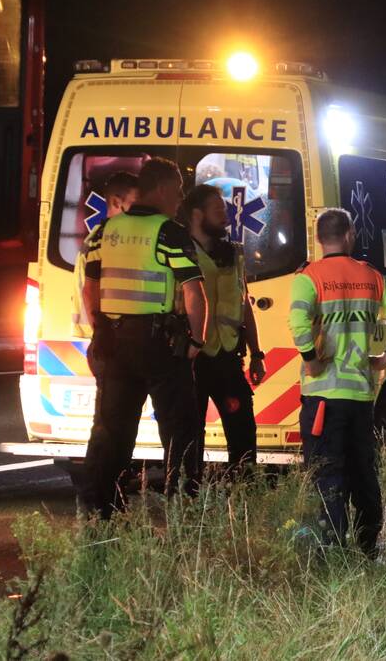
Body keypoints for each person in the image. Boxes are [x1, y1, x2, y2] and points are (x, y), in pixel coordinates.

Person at [79, 158, 207, 519]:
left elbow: (91, 287)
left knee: (111, 431)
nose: (181, 199)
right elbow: (194, 292)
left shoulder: (104, 232)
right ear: (163, 189)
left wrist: (101, 327)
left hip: (114, 344)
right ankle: (185, 506)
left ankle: (101, 510)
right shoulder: (169, 232)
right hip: (158, 344)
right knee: (180, 428)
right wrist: (196, 341)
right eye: (179, 191)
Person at [288, 208, 386, 558]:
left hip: (321, 399)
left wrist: (311, 360)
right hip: (360, 395)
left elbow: (298, 322)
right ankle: (367, 547)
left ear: (318, 239)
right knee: (363, 472)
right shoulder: (370, 277)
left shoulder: (308, 278)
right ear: (350, 234)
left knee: (327, 473)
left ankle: (330, 550)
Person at [179, 185, 266, 480]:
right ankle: (188, 493)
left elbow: (245, 306)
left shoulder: (234, 254)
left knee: (242, 430)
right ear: (196, 214)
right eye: (218, 210)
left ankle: (244, 491)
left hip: (227, 357)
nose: (226, 215)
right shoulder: (180, 252)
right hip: (192, 357)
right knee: (189, 432)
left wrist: (257, 353)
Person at [72, 171, 139, 339]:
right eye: (136, 204)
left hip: (94, 337)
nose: (141, 212)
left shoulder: (101, 238)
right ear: (117, 202)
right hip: (99, 339)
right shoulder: (104, 242)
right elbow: (90, 292)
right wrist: (102, 337)